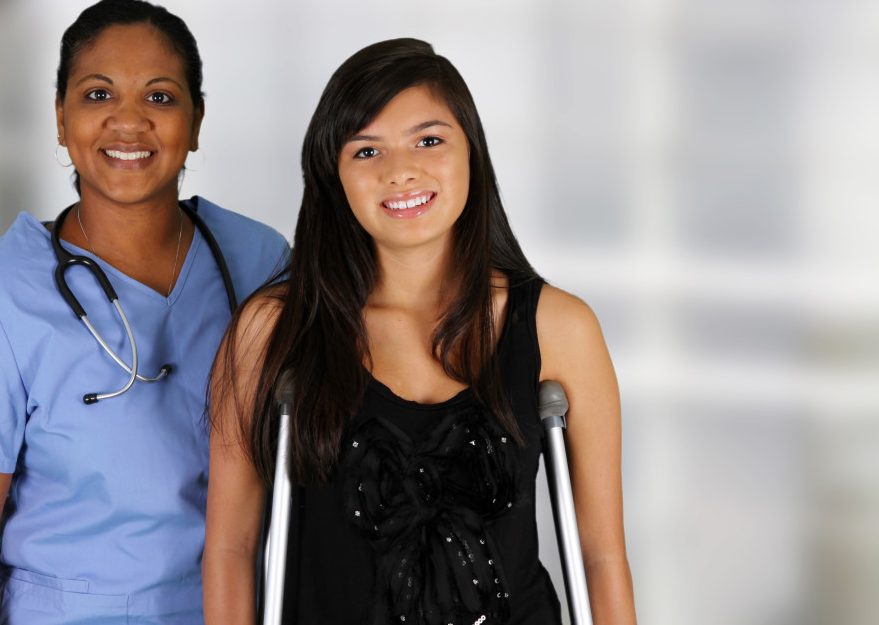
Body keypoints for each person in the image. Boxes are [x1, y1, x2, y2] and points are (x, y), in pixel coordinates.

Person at [203, 38, 637, 625]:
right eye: (366, 152)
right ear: (333, 178)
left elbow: (600, 557)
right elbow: (231, 548)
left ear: (472, 155)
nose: (400, 170)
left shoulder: (560, 327)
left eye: (429, 141)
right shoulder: (275, 329)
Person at [0, 0, 288, 625]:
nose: (128, 122)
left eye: (160, 97)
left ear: (197, 121)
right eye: (98, 95)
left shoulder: (260, 261)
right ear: (59, 118)